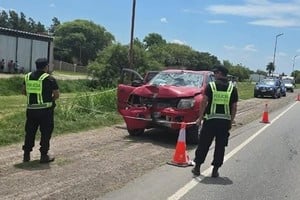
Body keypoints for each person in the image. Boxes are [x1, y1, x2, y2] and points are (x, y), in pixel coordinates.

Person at [192, 65, 238, 177]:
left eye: (215, 72)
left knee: (204, 144)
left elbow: (204, 101)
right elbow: (234, 106)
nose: (214, 75)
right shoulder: (232, 88)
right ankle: (215, 170)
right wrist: (231, 121)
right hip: (224, 123)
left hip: (210, 121)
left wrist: (200, 117)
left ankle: (197, 167)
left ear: (220, 73)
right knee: (220, 146)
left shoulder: (211, 86)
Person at [22, 58, 60, 163]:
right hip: (45, 111)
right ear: (46, 66)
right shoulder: (50, 78)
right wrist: (50, 100)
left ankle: (26, 155)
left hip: (31, 110)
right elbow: (56, 95)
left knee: (30, 132)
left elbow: (24, 91)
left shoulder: (28, 76)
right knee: (45, 133)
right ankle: (44, 155)